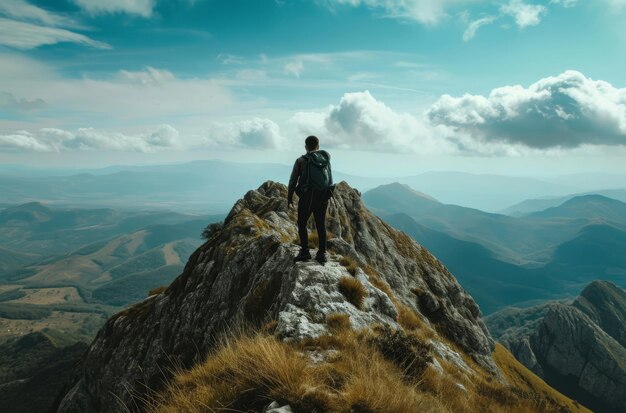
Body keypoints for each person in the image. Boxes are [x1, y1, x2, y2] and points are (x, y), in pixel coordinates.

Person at [287, 135, 334, 264]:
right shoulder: (325, 158)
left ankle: (305, 252)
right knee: (320, 224)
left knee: (302, 223)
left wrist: (289, 197)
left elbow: (293, 181)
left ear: (306, 146)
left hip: (307, 197)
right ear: (318, 146)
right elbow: (329, 177)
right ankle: (322, 253)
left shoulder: (301, 160)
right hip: (323, 196)